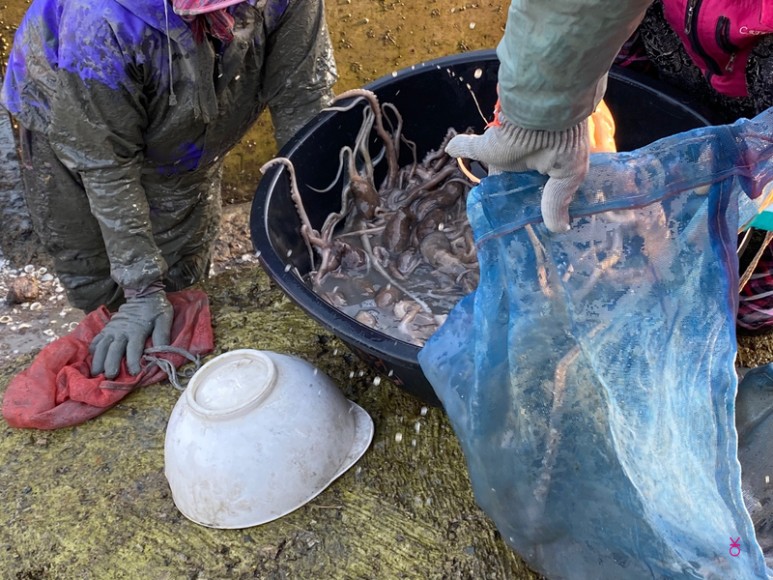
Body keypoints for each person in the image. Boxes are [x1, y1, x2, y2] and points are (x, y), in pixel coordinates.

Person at [0, 0, 337, 378]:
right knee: (93, 263)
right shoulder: (98, 20)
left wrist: (322, 221)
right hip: (69, 106)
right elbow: (105, 164)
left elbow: (303, 100)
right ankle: (116, 329)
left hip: (187, 124)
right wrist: (141, 291)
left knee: (184, 256)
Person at [447, 0, 773, 333]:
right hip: (667, 30)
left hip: (762, 123)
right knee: (627, 81)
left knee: (736, 303)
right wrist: (545, 102)